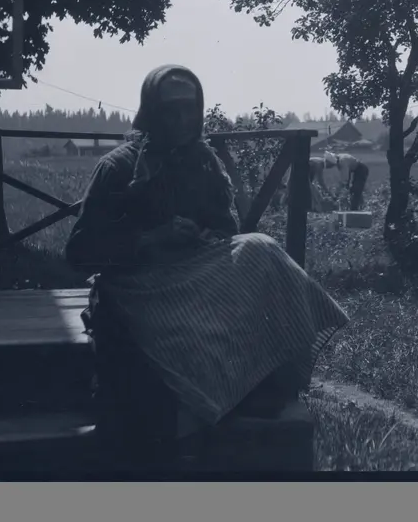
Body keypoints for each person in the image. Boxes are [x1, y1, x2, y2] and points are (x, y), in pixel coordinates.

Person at [66, 65, 349, 473]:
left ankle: (276, 374)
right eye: (170, 110)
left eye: (189, 108)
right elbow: (79, 252)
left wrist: (200, 235)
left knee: (262, 248)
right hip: (139, 285)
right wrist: (152, 239)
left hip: (195, 273)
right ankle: (212, 403)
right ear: (150, 110)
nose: (181, 119)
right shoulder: (120, 166)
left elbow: (226, 230)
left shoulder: (202, 161)